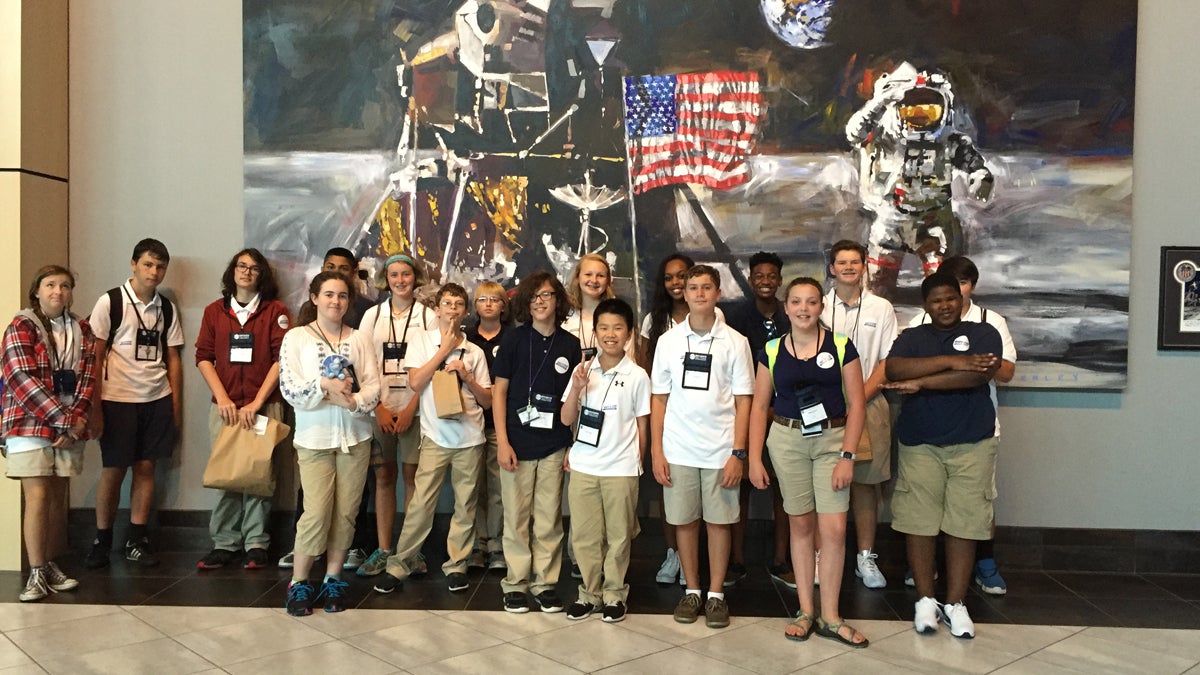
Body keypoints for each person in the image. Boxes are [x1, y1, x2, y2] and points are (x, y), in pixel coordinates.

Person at [748, 277, 869, 647]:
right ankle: (805, 611)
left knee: (832, 530)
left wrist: (848, 455)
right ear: (786, 308)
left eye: (811, 302)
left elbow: (858, 404)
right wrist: (754, 457)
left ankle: (831, 616)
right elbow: (757, 406)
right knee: (800, 526)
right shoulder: (771, 349)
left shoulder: (841, 346)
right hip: (786, 441)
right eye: (796, 302)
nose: (804, 309)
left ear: (821, 307)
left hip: (832, 441)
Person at [885, 271, 1001, 639]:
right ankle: (925, 600)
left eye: (950, 298)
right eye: (936, 300)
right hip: (920, 444)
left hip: (973, 444)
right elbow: (895, 368)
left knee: (964, 524)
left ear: (961, 298)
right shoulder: (912, 337)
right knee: (919, 522)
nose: (945, 305)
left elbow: (978, 376)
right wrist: (955, 361)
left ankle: (955, 604)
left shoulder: (985, 332)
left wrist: (922, 382)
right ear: (926, 305)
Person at [651, 264, 754, 629]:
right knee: (684, 521)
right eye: (692, 287)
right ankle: (692, 590)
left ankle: (715, 595)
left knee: (719, 522)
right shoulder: (669, 341)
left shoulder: (736, 342)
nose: (697, 293)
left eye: (705, 287)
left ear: (717, 293)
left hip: (720, 450)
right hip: (678, 449)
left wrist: (738, 453)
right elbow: (659, 399)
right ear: (684, 292)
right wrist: (656, 451)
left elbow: (745, 401)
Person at [372, 283, 492, 594]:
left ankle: (457, 565)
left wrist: (466, 376)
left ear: (465, 312)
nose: (452, 309)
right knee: (421, 504)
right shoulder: (421, 341)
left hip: (470, 438)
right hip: (436, 438)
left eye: (458, 304)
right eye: (447, 303)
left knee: (465, 505)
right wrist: (444, 350)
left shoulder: (476, 352)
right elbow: (415, 382)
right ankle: (400, 564)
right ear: (436, 310)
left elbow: (488, 400)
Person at [907, 255, 1016, 595]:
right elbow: (902, 367)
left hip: (977, 428)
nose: (952, 297)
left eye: (962, 285)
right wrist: (961, 365)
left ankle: (985, 563)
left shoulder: (990, 322)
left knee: (975, 504)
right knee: (928, 503)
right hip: (928, 428)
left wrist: (977, 368)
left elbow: (1007, 372)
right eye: (941, 294)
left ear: (968, 288)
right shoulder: (917, 323)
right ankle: (929, 571)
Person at [278, 271, 381, 616]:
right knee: (316, 512)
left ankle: (333, 579)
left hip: (355, 437)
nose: (335, 301)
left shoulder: (360, 339)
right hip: (315, 439)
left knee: (346, 514)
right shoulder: (296, 338)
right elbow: (290, 388)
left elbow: (373, 387)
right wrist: (323, 385)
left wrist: (353, 402)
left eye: (341, 296)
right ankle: (300, 582)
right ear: (314, 298)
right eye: (329, 295)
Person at [845, 62, 994, 298]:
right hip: (891, 221)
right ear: (896, 109)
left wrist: (981, 176)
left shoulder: (949, 141)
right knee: (876, 291)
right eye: (910, 108)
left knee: (944, 288)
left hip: (934, 222)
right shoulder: (886, 138)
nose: (920, 114)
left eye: (930, 107)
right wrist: (879, 102)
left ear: (944, 108)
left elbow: (973, 163)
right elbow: (854, 132)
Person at [84, 238, 184, 569]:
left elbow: (173, 357)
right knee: (113, 470)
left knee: (146, 467)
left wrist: (175, 408)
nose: (154, 272)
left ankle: (137, 537)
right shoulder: (110, 301)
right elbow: (95, 355)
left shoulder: (166, 307)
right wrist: (94, 406)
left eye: (160, 267)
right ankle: (102, 538)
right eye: (148, 265)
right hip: (117, 399)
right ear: (133, 264)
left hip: (156, 397)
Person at [2, 265, 97, 601]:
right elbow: (21, 380)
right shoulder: (21, 326)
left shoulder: (80, 329)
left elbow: (87, 378)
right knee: (38, 496)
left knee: (57, 498)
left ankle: (51, 565)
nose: (59, 291)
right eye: (51, 284)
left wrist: (77, 419)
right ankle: (36, 571)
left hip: (68, 426)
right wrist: (64, 421)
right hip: (29, 424)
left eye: (66, 285)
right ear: (37, 291)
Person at [195, 249, 291, 570]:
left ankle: (256, 543)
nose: (246, 272)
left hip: (264, 406)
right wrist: (223, 398)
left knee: (259, 476)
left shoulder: (275, 311)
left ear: (262, 274)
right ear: (232, 271)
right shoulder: (214, 311)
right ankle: (224, 542)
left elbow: (281, 359)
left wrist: (257, 402)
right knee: (227, 475)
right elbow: (204, 357)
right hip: (225, 409)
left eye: (253, 268)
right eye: (241, 266)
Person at [492, 271, 581, 613]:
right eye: (533, 297)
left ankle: (545, 582)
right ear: (525, 304)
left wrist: (572, 444)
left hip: (554, 443)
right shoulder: (514, 341)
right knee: (516, 516)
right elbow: (499, 393)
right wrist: (502, 441)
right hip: (516, 441)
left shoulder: (570, 345)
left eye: (547, 295)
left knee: (548, 518)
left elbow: (575, 399)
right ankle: (516, 582)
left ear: (558, 299)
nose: (541, 302)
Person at [560, 298, 650, 623]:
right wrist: (576, 388)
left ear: (628, 334)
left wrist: (639, 462)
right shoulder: (582, 371)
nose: (610, 334)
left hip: (621, 468)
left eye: (618, 328)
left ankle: (614, 595)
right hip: (584, 465)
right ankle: (588, 593)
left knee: (619, 535)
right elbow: (566, 417)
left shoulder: (638, 375)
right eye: (604, 328)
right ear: (595, 332)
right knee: (584, 535)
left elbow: (642, 422)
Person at [820, 240, 898, 589]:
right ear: (832, 268)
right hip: (823, 409)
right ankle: (823, 554)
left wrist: (855, 399)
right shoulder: (817, 306)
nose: (848, 267)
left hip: (868, 404)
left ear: (864, 266)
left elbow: (886, 363)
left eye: (855, 262)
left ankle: (865, 557)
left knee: (867, 485)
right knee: (823, 484)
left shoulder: (881, 308)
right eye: (842, 262)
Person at [354, 254, 436, 578]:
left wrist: (410, 407)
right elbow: (361, 366)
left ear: (415, 278)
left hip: (415, 409)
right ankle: (385, 549)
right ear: (385, 279)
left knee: (414, 480)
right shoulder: (372, 317)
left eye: (405, 274)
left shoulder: (428, 316)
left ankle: (410, 551)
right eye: (393, 275)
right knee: (383, 479)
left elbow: (433, 366)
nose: (400, 280)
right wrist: (379, 407)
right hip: (381, 409)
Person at [726, 251, 792, 588]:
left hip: (784, 416)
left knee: (784, 491)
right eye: (759, 276)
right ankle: (735, 560)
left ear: (780, 280)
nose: (765, 282)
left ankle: (781, 559)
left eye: (771, 276)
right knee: (740, 490)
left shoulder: (791, 316)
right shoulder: (734, 317)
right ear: (751, 280)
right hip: (743, 414)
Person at [562, 253, 622, 578]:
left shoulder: (616, 316)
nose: (594, 281)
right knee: (579, 486)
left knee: (607, 485)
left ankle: (606, 556)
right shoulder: (566, 318)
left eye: (601, 275)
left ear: (607, 281)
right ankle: (579, 556)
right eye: (589, 275)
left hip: (609, 409)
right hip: (575, 406)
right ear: (578, 278)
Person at [638, 253, 692, 586]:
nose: (676, 283)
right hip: (665, 414)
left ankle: (692, 559)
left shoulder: (713, 316)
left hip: (699, 416)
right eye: (670, 277)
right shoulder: (653, 321)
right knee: (668, 485)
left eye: (682, 276)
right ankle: (673, 553)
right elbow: (644, 369)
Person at [465, 280, 512, 571]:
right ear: (475, 306)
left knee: (497, 486)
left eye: (495, 300)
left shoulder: (512, 337)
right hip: (468, 423)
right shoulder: (465, 338)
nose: (489, 305)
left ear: (503, 306)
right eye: (483, 300)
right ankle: (475, 544)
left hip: (498, 424)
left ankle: (496, 543)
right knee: (471, 487)